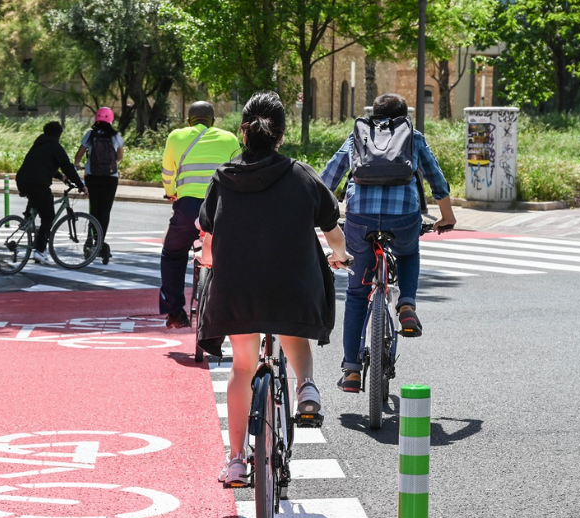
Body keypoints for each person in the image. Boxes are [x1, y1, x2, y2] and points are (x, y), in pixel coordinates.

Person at [196, 92, 350, 486]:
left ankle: (235, 460)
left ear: (243, 132)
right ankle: (308, 389)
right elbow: (332, 229)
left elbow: (208, 239)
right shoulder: (301, 175)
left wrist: (209, 260)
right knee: (291, 328)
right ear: (281, 135)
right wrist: (340, 255)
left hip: (238, 292)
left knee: (242, 367)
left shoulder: (223, 177)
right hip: (292, 289)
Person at [319, 93, 456, 394]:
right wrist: (446, 217)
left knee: (357, 294)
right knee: (408, 252)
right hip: (404, 217)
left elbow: (327, 180)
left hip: (359, 220)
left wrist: (319, 218)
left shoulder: (357, 135)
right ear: (404, 116)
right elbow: (436, 179)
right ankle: (406, 304)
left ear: (372, 113)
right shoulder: (413, 136)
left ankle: (352, 371)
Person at [160, 101, 240, 329]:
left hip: (188, 208)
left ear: (189, 121)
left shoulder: (176, 136)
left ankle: (175, 310)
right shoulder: (229, 139)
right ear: (213, 122)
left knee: (172, 253)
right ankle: (229, 308)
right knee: (228, 255)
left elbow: (168, 172)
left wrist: (170, 193)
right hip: (221, 208)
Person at [15, 121, 86, 265]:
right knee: (48, 216)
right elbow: (68, 167)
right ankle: (40, 251)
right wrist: (81, 185)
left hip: (22, 180)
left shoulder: (38, 145)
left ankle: (27, 219)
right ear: (59, 135)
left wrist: (61, 177)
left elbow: (45, 166)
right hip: (38, 183)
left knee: (38, 198)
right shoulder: (56, 147)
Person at [73, 107, 124, 264]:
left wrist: (78, 165)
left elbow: (78, 156)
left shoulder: (90, 135)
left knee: (94, 209)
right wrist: (110, 164)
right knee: (105, 211)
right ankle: (100, 242)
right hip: (110, 177)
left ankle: (89, 240)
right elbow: (120, 156)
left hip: (92, 176)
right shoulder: (115, 136)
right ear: (111, 119)